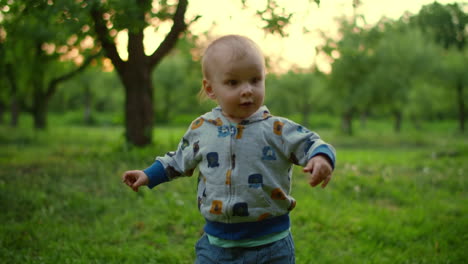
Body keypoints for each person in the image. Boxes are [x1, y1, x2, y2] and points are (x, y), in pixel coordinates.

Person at [122, 34, 336, 264]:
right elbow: (177, 160)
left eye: (255, 80)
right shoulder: (202, 129)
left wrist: (321, 157)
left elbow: (312, 142)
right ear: (211, 88)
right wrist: (147, 174)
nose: (247, 90)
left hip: (272, 245)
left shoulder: (277, 129)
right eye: (233, 83)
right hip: (217, 247)